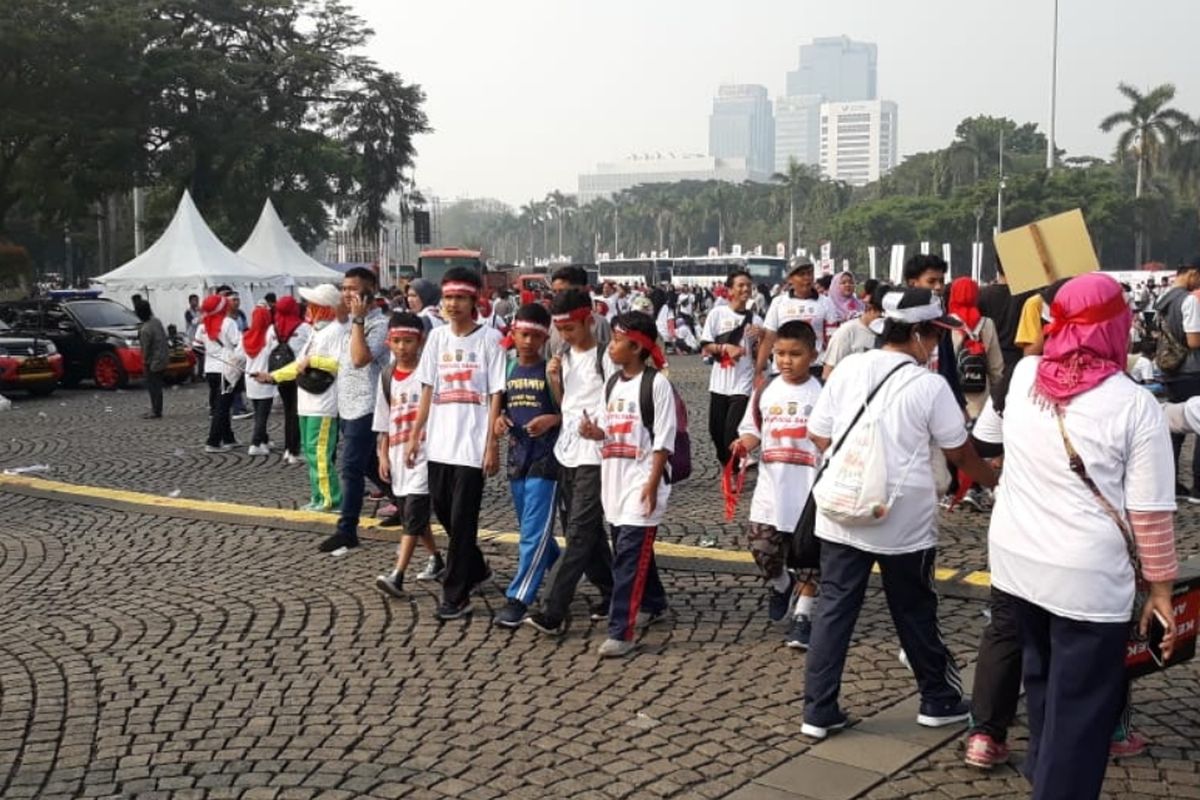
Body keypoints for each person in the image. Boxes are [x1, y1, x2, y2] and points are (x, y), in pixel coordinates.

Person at [986, 273, 1179, 798]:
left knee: (1043, 682)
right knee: (1085, 708)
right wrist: (1161, 588)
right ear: (1119, 325)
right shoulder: (1134, 404)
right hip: (1087, 580)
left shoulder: (1024, 376)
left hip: (1015, 561)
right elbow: (1151, 513)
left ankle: (1042, 775)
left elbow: (989, 442)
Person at [801, 288, 997, 740]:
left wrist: (862, 462)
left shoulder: (849, 368)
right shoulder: (928, 385)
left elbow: (820, 436)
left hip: (841, 510)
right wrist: (990, 479)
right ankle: (938, 698)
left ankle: (819, 710)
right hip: (902, 519)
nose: (937, 346)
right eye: (934, 337)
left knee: (833, 609)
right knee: (914, 609)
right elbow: (959, 452)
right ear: (918, 334)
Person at [406, 267, 505, 620]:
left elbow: (496, 392)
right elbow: (428, 388)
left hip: (471, 445)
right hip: (440, 443)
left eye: (460, 298)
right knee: (445, 513)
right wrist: (416, 433)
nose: (452, 304)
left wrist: (492, 444)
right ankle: (477, 569)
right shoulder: (435, 339)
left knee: (463, 521)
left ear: (474, 300)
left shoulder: (490, 340)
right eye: (448, 298)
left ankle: (457, 594)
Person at [584, 311, 676, 658]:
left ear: (637, 347)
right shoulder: (612, 384)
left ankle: (621, 630)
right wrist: (595, 433)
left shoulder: (657, 385)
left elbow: (662, 441)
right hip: (615, 479)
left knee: (627, 557)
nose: (611, 346)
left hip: (642, 481)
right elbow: (611, 429)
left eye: (619, 341)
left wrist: (652, 486)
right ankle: (655, 599)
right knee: (629, 549)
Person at [527, 289, 615, 635]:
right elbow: (566, 407)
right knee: (585, 532)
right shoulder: (561, 357)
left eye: (571, 330)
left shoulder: (606, 357)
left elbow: (617, 401)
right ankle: (615, 590)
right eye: (560, 331)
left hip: (595, 454)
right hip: (567, 451)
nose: (564, 337)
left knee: (578, 533)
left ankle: (553, 609)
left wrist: (602, 430)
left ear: (588, 322)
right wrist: (554, 380)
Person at [731, 320, 822, 647]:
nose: (785, 360)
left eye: (795, 354)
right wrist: (744, 443)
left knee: (810, 558)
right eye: (780, 353)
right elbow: (753, 428)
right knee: (762, 548)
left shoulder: (824, 392)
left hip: (810, 491)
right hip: (771, 489)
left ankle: (803, 615)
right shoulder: (766, 390)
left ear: (812, 354)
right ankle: (783, 584)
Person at [493, 303, 562, 627]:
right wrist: (500, 422)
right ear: (514, 334)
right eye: (524, 334)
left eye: (536, 336)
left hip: (546, 460)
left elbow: (570, 412)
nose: (529, 342)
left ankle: (519, 596)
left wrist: (552, 419)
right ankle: (563, 574)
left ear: (545, 338)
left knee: (532, 533)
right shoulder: (506, 369)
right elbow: (497, 410)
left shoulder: (551, 370)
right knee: (531, 529)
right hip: (516, 457)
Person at [318, 267, 392, 555]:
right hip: (346, 404)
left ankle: (346, 529)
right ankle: (408, 502)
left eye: (353, 288)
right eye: (344, 288)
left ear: (371, 288)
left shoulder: (378, 324)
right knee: (370, 466)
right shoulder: (350, 321)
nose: (347, 293)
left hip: (368, 404)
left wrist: (359, 319)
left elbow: (361, 359)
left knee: (350, 468)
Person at [373, 311, 445, 597]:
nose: (402, 347)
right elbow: (384, 420)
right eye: (396, 341)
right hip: (397, 454)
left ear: (421, 341)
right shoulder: (388, 376)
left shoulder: (430, 374)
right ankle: (438, 560)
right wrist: (382, 454)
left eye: (408, 341)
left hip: (426, 454)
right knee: (411, 517)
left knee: (414, 512)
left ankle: (397, 574)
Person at [257, 284, 344, 511]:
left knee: (320, 454)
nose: (308, 309)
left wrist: (313, 362)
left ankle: (329, 499)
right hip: (307, 402)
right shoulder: (316, 331)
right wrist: (272, 377)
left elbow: (341, 364)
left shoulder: (336, 331)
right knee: (311, 453)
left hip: (323, 403)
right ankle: (318, 497)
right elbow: (298, 364)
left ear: (323, 308)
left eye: (313, 305)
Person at [699, 269, 763, 470]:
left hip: (742, 384)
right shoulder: (717, 314)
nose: (746, 289)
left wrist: (760, 337)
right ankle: (730, 461)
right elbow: (706, 345)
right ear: (730, 290)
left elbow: (762, 355)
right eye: (740, 285)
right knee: (715, 431)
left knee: (730, 430)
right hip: (719, 382)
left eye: (748, 285)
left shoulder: (757, 321)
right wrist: (725, 348)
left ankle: (732, 472)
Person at [1154, 259, 1200, 502]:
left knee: (1173, 429)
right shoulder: (1188, 300)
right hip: (1191, 370)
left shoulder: (1164, 298)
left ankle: (1169, 484)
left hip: (1169, 368)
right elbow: (1193, 341)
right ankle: (1199, 486)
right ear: (1192, 273)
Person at [755, 256, 838, 385]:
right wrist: (758, 371)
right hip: (783, 369)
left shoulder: (826, 303)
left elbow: (833, 341)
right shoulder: (779, 302)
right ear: (790, 279)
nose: (807, 278)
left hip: (815, 369)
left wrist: (829, 370)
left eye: (809, 273)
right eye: (801, 274)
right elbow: (768, 338)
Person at [946, 277, 1004, 420]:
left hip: (953, 397)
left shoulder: (945, 324)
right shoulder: (987, 324)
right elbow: (996, 367)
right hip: (981, 398)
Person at [272, 296, 311, 465]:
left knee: (288, 412)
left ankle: (288, 449)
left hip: (280, 373)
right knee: (297, 412)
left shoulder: (273, 328)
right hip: (297, 373)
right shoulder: (303, 328)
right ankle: (295, 450)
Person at [201, 293, 241, 453]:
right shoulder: (228, 322)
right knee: (223, 407)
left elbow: (197, 343)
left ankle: (228, 438)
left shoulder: (202, 324)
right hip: (226, 369)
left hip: (210, 369)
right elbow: (238, 343)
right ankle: (213, 441)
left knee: (220, 404)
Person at [822, 283, 887, 380]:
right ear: (870, 308)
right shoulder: (846, 333)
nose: (886, 323)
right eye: (882, 316)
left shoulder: (890, 333)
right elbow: (828, 374)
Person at [240, 304, 277, 456]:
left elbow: (239, 356)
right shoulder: (269, 336)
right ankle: (255, 443)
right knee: (262, 414)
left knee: (258, 411)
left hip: (250, 379)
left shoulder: (246, 336)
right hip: (264, 379)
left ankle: (264, 439)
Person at [549, 265, 611, 352]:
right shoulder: (553, 322)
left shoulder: (599, 324)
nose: (558, 296)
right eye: (555, 292)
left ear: (583, 289)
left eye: (563, 291)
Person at [134, 299, 168, 419]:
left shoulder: (145, 329)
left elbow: (145, 349)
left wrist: (144, 362)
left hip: (153, 361)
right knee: (157, 386)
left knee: (153, 387)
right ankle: (156, 409)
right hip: (163, 357)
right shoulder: (156, 322)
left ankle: (156, 410)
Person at [823, 271, 864, 346]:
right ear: (835, 285)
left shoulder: (860, 305)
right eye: (843, 283)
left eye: (851, 282)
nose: (848, 285)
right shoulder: (828, 305)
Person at [184, 294, 204, 381]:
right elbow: (193, 322)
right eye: (194, 300)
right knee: (192, 358)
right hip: (191, 338)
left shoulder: (201, 311)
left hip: (200, 338)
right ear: (190, 302)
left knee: (201, 357)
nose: (196, 302)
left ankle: (200, 374)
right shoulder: (188, 312)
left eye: (197, 300)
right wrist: (201, 316)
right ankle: (192, 376)